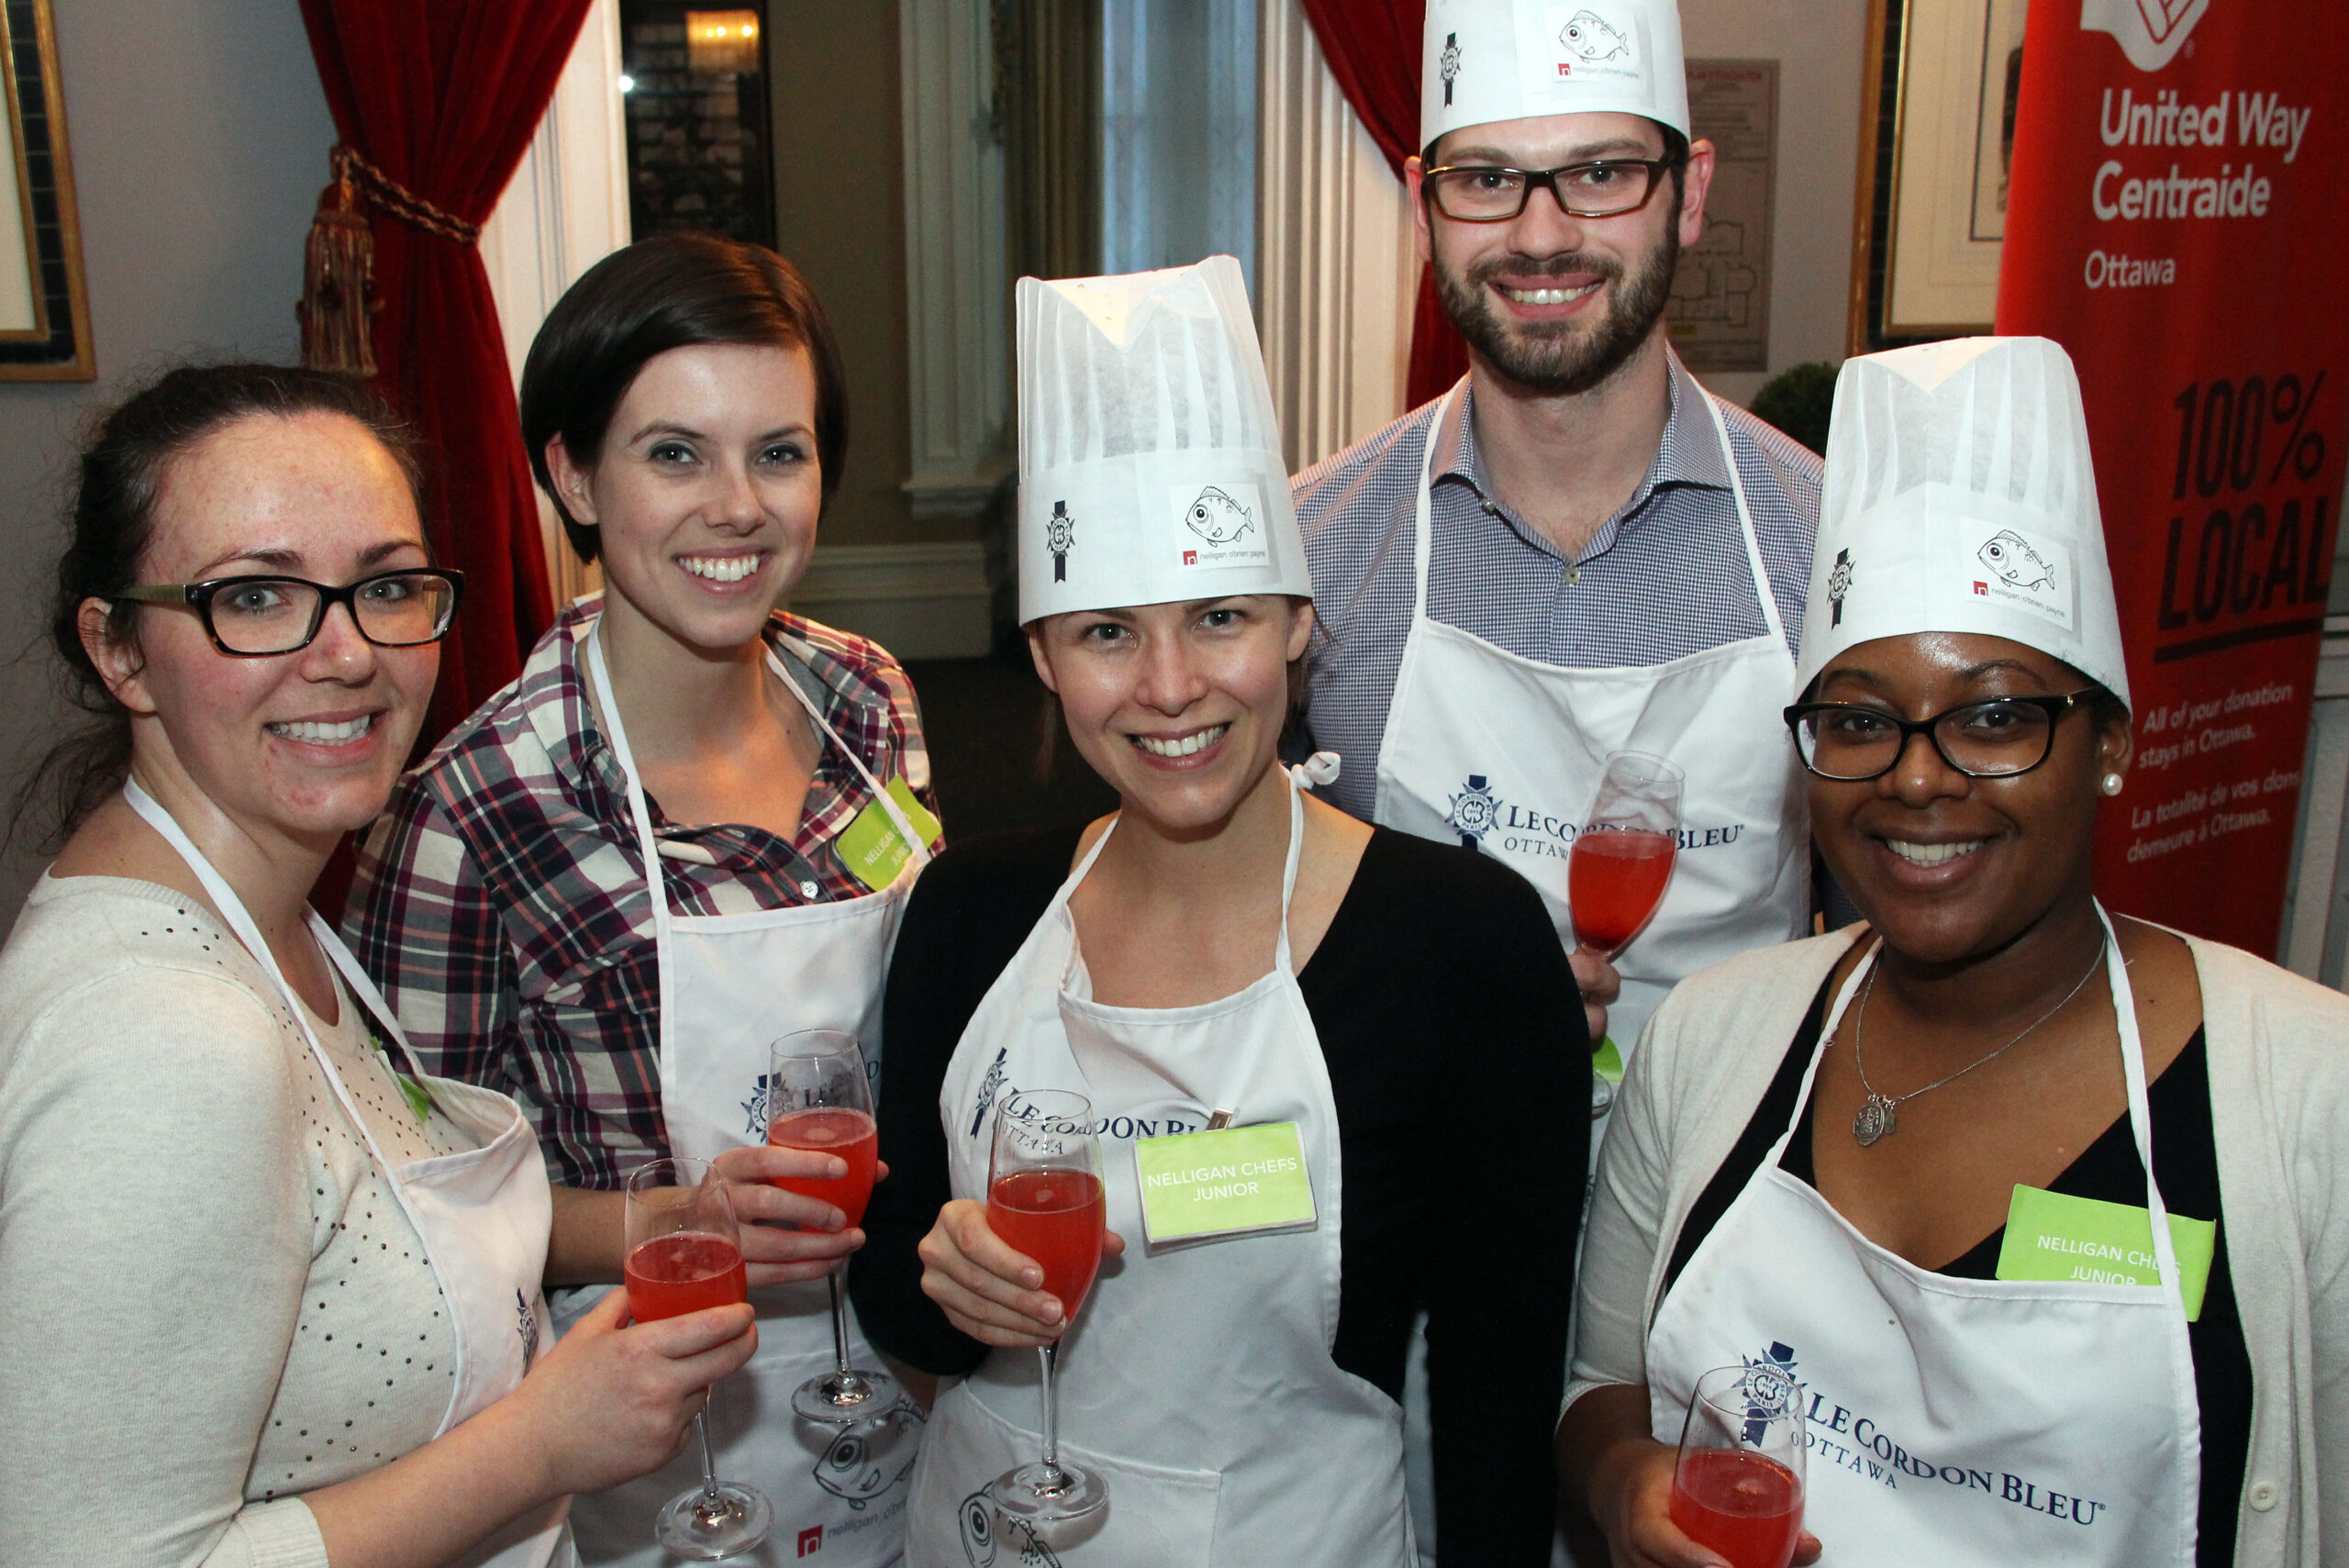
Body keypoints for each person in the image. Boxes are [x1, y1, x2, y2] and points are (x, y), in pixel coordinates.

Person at [1556, 337, 2349, 1568]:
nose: (1918, 777)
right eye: (1860, 719)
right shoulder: (1713, 1036)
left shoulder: (2310, 1091)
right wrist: (1623, 1484)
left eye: (1994, 716)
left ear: (2110, 744)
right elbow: (1602, 1383)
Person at [850, 257, 1585, 1568]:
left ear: (1302, 621)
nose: (1172, 687)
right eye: (1107, 633)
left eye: (1223, 616)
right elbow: (897, 1307)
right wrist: (944, 1284)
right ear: (1039, 653)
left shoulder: (1463, 946)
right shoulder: (968, 912)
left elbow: (1496, 1394)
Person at [0, 363, 755, 1568]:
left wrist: (639, 1223)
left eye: (387, 587)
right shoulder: (162, 1039)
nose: (348, 653)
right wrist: (541, 1443)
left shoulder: (273, 913)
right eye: (254, 596)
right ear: (120, 651)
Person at [345, 235, 941, 1566]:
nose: (736, 506)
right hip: (648, 1443)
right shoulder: (474, 808)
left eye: (778, 454)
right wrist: (669, 1220)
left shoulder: (867, 700)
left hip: (902, 1375)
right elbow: (410, 1210)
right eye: (674, 454)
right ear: (570, 473)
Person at [1293, 0, 1824, 1070]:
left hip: (1725, 1195)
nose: (1539, 236)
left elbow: (1895, 938)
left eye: (1599, 174)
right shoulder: (1310, 547)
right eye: (1486, 180)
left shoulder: (1824, 543)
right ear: (1423, 203)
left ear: (1689, 194)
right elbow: (1218, 909)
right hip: (1421, 1188)